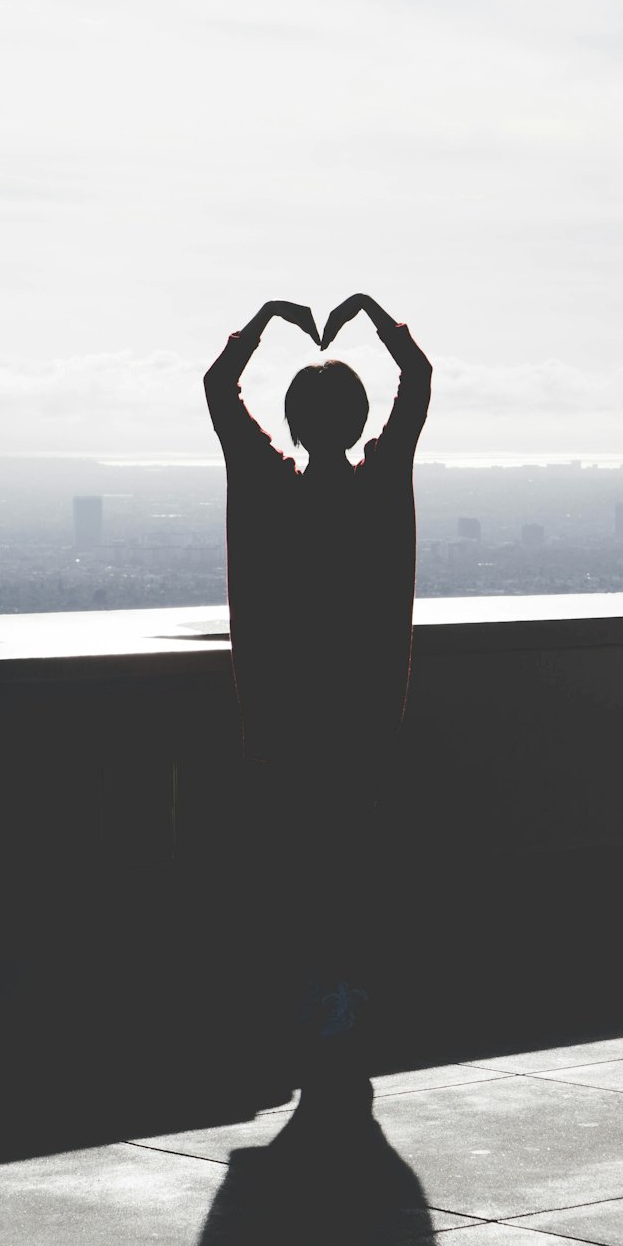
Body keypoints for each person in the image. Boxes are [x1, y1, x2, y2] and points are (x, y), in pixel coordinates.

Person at [204, 294, 432, 1107]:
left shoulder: (268, 486)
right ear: (357, 417)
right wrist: (371, 313)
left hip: (281, 710)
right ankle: (336, 988)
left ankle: (310, 988)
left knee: (296, 854)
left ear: (295, 423)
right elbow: (420, 378)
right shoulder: (379, 486)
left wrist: (265, 319)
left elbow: (218, 389)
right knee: (346, 852)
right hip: (364, 709)